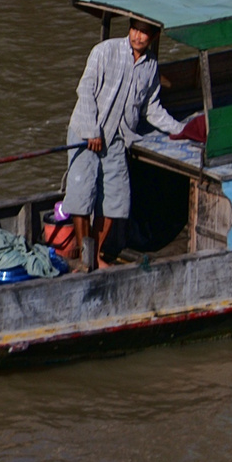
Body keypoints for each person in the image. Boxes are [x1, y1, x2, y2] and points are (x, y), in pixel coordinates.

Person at [63, 17, 185, 271]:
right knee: (82, 195)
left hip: (117, 139)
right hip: (86, 134)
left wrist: (181, 129)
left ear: (152, 37)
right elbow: (85, 91)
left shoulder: (150, 66)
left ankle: (95, 253)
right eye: (135, 30)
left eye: (144, 33)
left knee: (116, 201)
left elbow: (151, 108)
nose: (138, 36)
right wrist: (91, 131)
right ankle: (88, 258)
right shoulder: (105, 51)